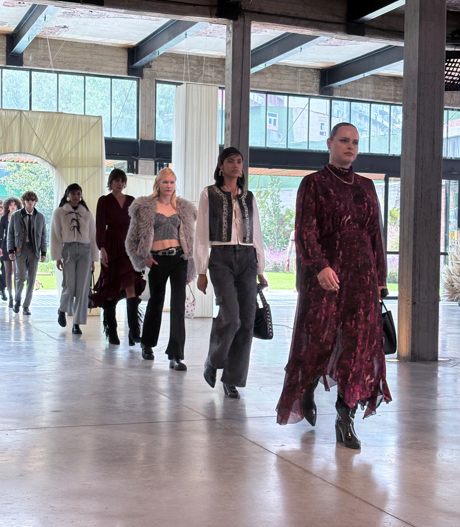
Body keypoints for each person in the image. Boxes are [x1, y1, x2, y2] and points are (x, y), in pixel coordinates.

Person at [276, 123, 392, 450]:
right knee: (317, 342)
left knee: (358, 348)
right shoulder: (313, 184)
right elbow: (305, 231)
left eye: (355, 142)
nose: (350, 146)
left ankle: (345, 417)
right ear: (329, 143)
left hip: (362, 279)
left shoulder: (367, 186)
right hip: (325, 279)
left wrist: (380, 280)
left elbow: (375, 235)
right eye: (343, 140)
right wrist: (319, 266)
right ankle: (307, 387)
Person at [195, 147, 267, 399]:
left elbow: (256, 233)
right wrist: (201, 270)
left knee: (246, 321)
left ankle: (232, 379)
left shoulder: (249, 197)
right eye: (230, 161)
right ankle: (214, 360)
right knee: (232, 317)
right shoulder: (209, 194)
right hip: (221, 258)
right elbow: (201, 233)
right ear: (220, 165)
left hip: (247, 259)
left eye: (239, 161)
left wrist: (260, 268)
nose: (236, 165)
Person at [126, 168, 197, 370]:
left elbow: (190, 239)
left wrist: (190, 266)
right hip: (157, 259)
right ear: (157, 184)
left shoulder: (183, 208)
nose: (168, 186)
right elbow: (131, 240)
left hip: (179, 259)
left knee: (178, 305)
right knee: (156, 301)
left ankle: (176, 355)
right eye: (165, 182)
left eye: (172, 182)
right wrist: (143, 258)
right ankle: (147, 344)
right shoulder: (145, 207)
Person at [89, 169, 145, 346]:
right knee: (111, 290)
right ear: (111, 182)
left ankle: (134, 332)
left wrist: (139, 248)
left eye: (122, 181)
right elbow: (100, 226)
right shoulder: (104, 201)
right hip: (111, 246)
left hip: (129, 248)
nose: (120, 184)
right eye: (116, 180)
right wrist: (102, 249)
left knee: (131, 286)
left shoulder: (132, 201)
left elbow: (138, 226)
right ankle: (111, 331)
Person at [50, 184, 99, 335]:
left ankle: (77, 323)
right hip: (68, 250)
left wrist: (93, 257)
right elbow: (55, 234)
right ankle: (62, 309)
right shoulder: (59, 212)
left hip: (85, 251)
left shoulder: (87, 214)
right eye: (73, 193)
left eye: (78, 193)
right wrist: (57, 256)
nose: (76, 196)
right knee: (69, 285)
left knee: (83, 288)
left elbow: (93, 236)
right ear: (67, 194)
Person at [7, 192, 47, 315]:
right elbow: (10, 234)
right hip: (20, 249)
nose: (30, 202)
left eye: (33, 200)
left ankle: (26, 306)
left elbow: (44, 236)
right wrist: (10, 250)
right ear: (24, 201)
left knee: (32, 278)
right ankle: (17, 300)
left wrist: (44, 252)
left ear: (35, 201)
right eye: (28, 199)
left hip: (34, 250)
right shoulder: (16, 216)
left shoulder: (40, 217)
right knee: (21, 277)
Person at [0, 197, 21, 307]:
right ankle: (10, 297)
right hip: (6, 246)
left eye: (14, 204)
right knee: (8, 273)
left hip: (17, 246)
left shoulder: (21, 216)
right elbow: (0, 234)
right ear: (7, 206)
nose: (13, 206)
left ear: (17, 206)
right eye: (11, 204)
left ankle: (17, 297)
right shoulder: (4, 218)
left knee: (17, 272)